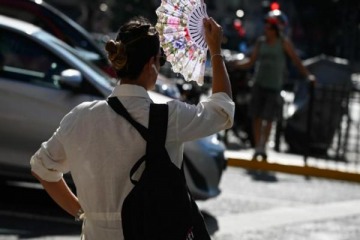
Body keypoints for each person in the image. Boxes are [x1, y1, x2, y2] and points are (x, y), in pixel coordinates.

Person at [30, 16, 234, 239]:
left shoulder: (80, 117)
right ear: (150, 64)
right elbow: (222, 111)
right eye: (160, 60)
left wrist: (81, 212)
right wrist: (215, 50)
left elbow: (42, 168)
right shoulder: (168, 117)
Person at [230, 10, 315, 161]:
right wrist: (235, 64)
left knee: (268, 118)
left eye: (269, 26)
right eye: (266, 26)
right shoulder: (260, 42)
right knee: (256, 116)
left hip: (274, 85)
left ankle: (263, 146)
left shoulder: (284, 43)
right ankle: (257, 147)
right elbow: (250, 62)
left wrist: (308, 75)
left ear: (276, 29)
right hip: (259, 83)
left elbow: (296, 61)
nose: (266, 29)